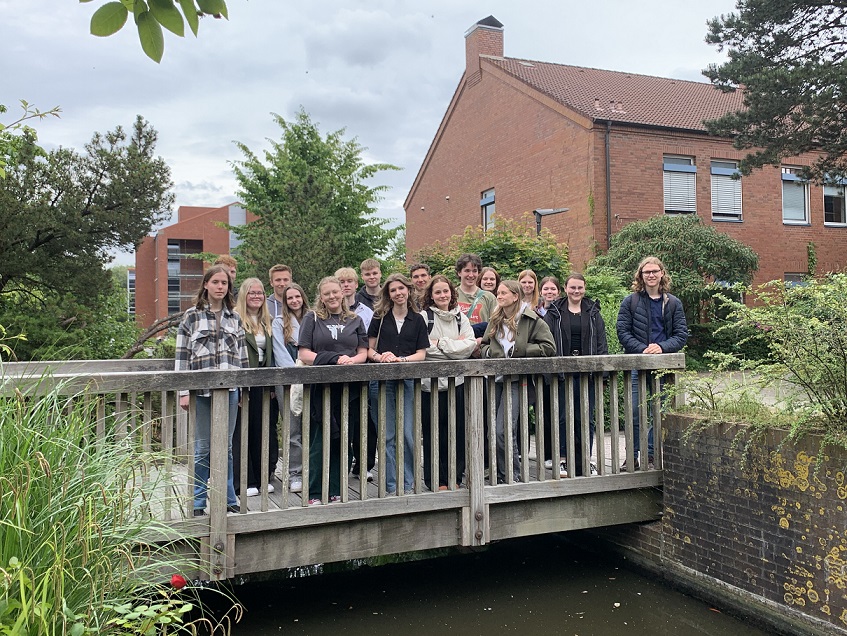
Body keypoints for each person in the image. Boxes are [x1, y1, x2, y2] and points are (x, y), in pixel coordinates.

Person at [175, 265, 247, 516]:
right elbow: (182, 357)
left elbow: (242, 357)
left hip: (230, 391)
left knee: (226, 447)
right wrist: (183, 391)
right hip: (202, 392)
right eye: (215, 282)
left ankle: (228, 498)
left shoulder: (235, 318)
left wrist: (243, 389)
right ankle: (197, 502)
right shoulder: (191, 317)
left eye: (224, 283)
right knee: (203, 447)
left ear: (228, 288)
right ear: (206, 284)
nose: (220, 287)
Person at [298, 277, 368, 504]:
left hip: (349, 387)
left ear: (342, 293)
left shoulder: (355, 320)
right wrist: (334, 359)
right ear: (321, 296)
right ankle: (315, 491)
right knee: (319, 440)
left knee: (343, 439)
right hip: (320, 388)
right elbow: (304, 354)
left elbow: (363, 353)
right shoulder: (312, 318)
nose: (332, 297)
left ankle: (337, 488)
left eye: (335, 292)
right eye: (327, 293)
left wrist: (350, 362)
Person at [616, 256, 688, 470]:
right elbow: (623, 332)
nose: (651, 275)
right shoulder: (631, 302)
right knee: (636, 412)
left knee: (661, 411)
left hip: (663, 367)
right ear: (641, 275)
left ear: (662, 274)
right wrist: (643, 349)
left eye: (655, 271)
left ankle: (649, 454)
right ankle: (633, 456)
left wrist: (662, 347)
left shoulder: (673, 303)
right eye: (647, 272)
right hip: (638, 365)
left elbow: (681, 334)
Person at [480, 280, 555, 483]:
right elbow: (484, 346)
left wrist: (518, 352)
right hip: (495, 380)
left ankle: (512, 475)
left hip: (517, 380)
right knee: (492, 432)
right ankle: (502, 474)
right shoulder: (495, 319)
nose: (499, 296)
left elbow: (549, 347)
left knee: (504, 430)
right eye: (498, 293)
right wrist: (490, 353)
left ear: (515, 296)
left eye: (503, 293)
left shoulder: (532, 319)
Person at [367, 273, 429, 494]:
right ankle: (391, 484)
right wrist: (380, 357)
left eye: (401, 288)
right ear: (388, 294)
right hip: (381, 381)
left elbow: (421, 354)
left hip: (408, 380)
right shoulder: (380, 317)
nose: (398, 293)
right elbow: (369, 349)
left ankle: (408, 482)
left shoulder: (418, 318)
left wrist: (401, 359)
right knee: (387, 434)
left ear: (408, 290)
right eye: (393, 290)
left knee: (408, 433)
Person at [542, 274, 608, 477]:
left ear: (585, 288)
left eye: (580, 287)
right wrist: (550, 372)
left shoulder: (593, 311)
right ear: (565, 288)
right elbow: (547, 342)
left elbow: (601, 343)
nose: (576, 291)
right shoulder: (554, 312)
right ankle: (562, 459)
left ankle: (585, 460)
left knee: (586, 418)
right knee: (562, 417)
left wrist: (602, 373)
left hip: (587, 373)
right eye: (572, 287)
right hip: (561, 373)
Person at [420, 275, 476, 491]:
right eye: (438, 292)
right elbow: (424, 348)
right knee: (434, 433)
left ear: (452, 293)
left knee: (457, 432)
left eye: (446, 291)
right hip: (429, 386)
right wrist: (454, 347)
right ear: (431, 296)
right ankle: (435, 479)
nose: (443, 295)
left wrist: (441, 343)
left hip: (457, 384)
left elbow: (469, 347)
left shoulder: (461, 318)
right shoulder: (424, 318)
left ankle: (455, 477)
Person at [233, 278, 278, 496]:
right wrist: (239, 387)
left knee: (263, 430)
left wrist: (271, 386)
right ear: (244, 295)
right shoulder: (234, 319)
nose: (257, 297)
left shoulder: (267, 321)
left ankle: (262, 478)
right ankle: (244, 481)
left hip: (263, 382)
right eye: (252, 293)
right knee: (242, 431)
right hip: (243, 383)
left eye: (260, 293)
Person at [336, 266, 375, 482]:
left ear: (355, 284)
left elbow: (369, 342)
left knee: (364, 419)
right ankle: (342, 461)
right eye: (342, 281)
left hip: (362, 370)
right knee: (342, 419)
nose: (346, 285)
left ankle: (364, 464)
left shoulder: (366, 312)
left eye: (349, 281)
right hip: (337, 371)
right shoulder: (330, 310)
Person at [271, 281, 310, 494]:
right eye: (289, 298)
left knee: (312, 425)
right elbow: (279, 351)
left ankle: (313, 470)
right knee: (293, 428)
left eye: (297, 296)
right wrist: (295, 375)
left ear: (303, 297)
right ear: (285, 302)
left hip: (311, 374)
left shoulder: (313, 318)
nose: (294, 301)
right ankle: (295, 472)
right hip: (288, 378)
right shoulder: (279, 322)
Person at [455, 253, 497, 340]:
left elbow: (495, 326)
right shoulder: (451, 296)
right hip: (457, 346)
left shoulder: (489, 297)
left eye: (474, 271)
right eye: (467, 271)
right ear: (459, 272)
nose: (471, 275)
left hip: (481, 347)